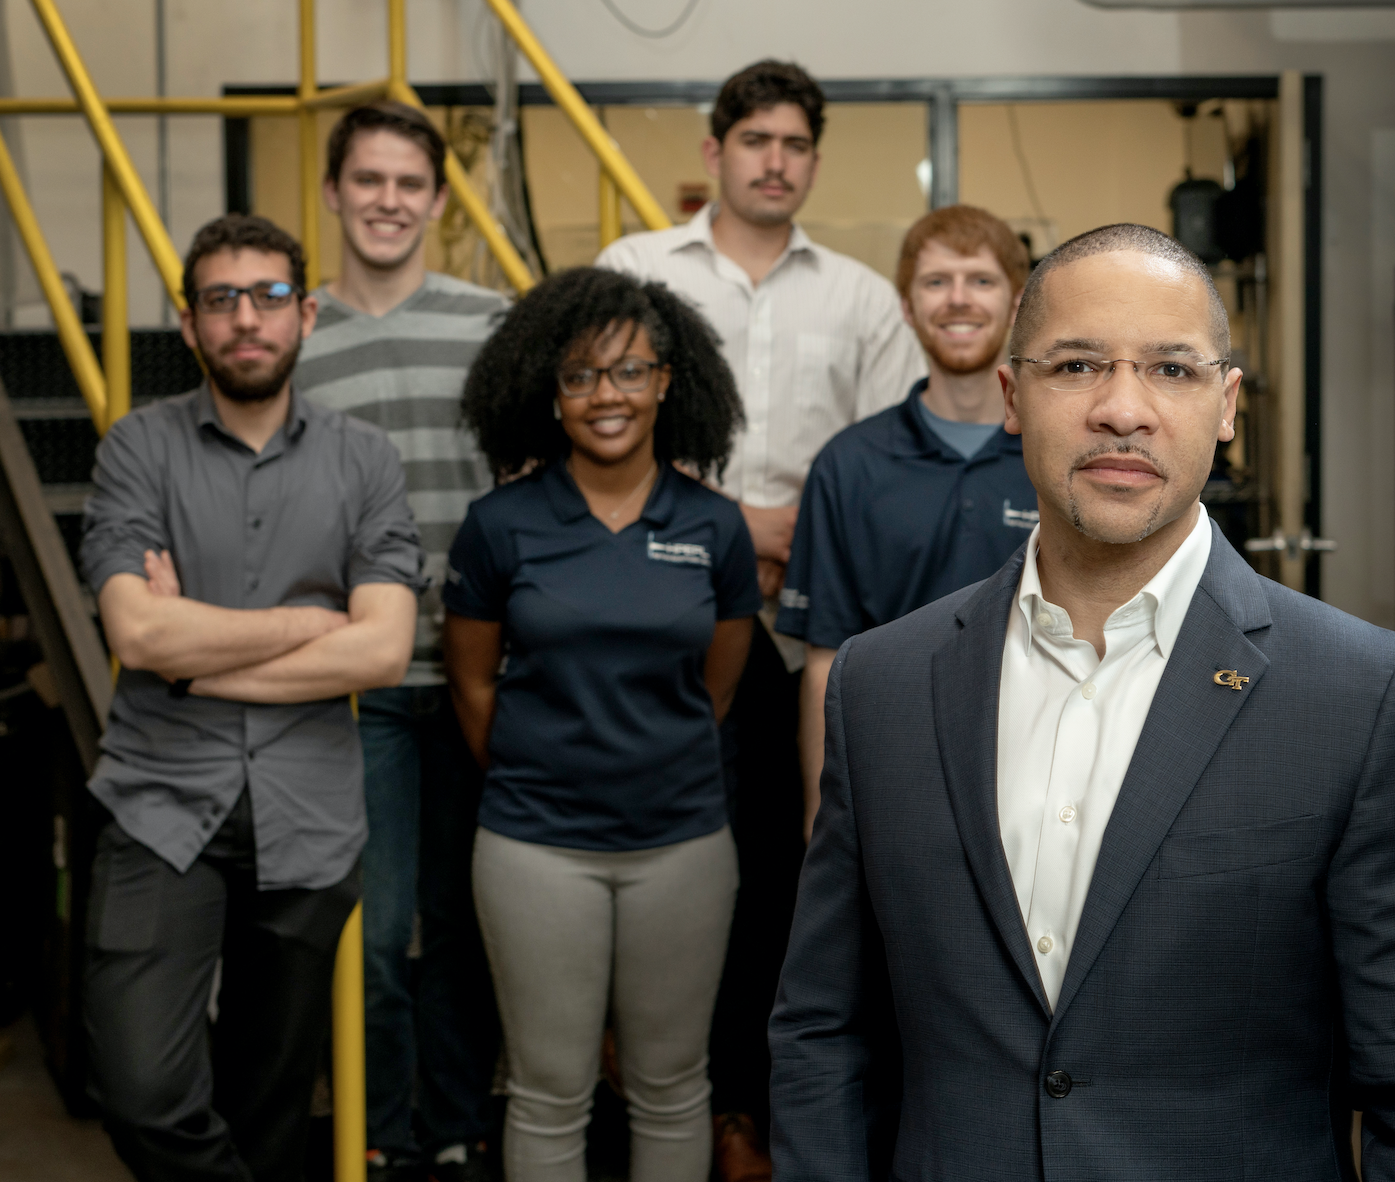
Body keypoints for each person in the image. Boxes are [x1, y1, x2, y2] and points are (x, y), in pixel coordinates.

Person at [769, 223, 1395, 1179]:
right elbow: (826, 1034)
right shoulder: (885, 686)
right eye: (1077, 365)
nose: (1123, 410)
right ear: (1013, 397)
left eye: (1171, 370)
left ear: (1226, 405)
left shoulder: (1361, 699)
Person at [595, 59, 923, 1170]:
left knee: (795, 879)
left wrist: (803, 538)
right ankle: (673, 1108)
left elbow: (888, 465)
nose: (774, 162)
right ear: (713, 154)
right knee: (665, 877)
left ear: (812, 163)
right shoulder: (634, 273)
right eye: (755, 142)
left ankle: (767, 1113)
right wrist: (747, 524)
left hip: (809, 639)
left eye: (794, 146)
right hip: (655, 632)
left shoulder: (864, 299)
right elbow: (596, 439)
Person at [79, 214, 425, 1182]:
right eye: (221, 299)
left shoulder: (364, 460)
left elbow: (386, 650)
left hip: (306, 815)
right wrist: (310, 626)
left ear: (306, 314)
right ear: (189, 325)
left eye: (269, 296)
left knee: (269, 1107)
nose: (246, 319)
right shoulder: (135, 451)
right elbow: (138, 633)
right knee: (140, 1089)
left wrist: (197, 649)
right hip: (156, 806)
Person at [441, 267, 761, 1182]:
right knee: (549, 1090)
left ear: (668, 380)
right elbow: (472, 689)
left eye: (629, 371)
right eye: (579, 376)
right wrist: (548, 773)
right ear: (550, 392)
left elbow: (718, 688)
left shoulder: (715, 527)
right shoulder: (499, 526)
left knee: (671, 1085)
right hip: (536, 848)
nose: (605, 395)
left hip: (684, 847)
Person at [293, 100, 511, 1182]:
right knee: (374, 941)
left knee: (464, 927)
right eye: (367, 181)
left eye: (408, 185)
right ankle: (379, 1134)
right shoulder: (291, 339)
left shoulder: (489, 324)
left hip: (480, 677)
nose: (387, 202)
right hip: (353, 687)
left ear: (436, 199)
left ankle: (461, 1126)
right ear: (333, 193)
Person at [777, 205, 1036, 841]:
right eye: (935, 281)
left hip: (1043, 776)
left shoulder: (1056, 457)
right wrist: (823, 825)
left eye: (980, 280)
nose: (958, 301)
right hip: (890, 779)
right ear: (905, 305)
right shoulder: (849, 465)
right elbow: (824, 663)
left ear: (1018, 302)